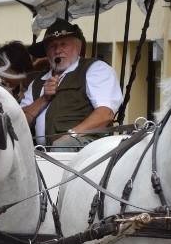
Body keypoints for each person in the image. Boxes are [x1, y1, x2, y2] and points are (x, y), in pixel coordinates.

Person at [20, 18, 122, 147]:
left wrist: (71, 135)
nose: (58, 50)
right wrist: (43, 99)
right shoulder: (37, 82)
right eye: (52, 46)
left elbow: (105, 114)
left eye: (63, 44)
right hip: (42, 152)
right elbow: (18, 121)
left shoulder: (95, 69)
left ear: (78, 47)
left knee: (61, 146)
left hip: (85, 150)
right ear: (46, 52)